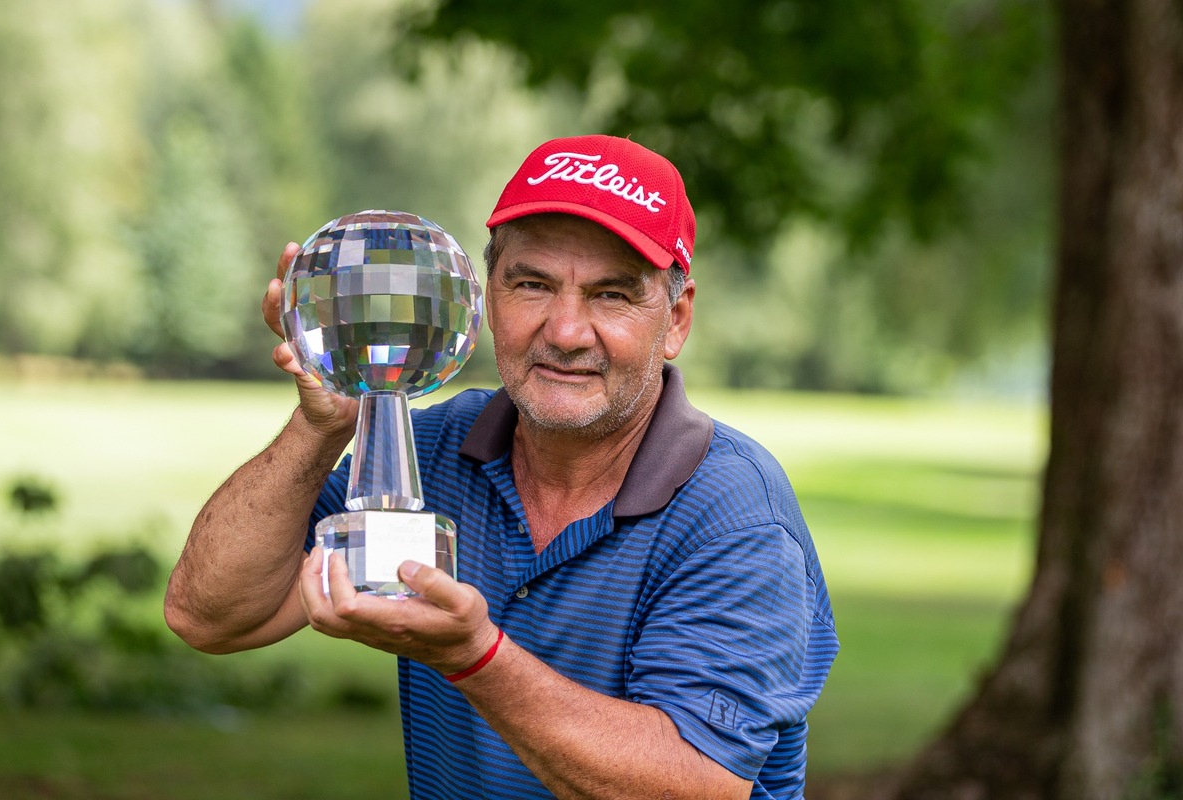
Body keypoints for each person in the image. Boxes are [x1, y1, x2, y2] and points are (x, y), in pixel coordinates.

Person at [164, 134, 838, 799]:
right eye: (533, 284)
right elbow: (212, 616)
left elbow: (692, 784)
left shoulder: (735, 510)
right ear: (487, 296)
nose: (567, 331)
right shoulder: (428, 449)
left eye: (611, 295)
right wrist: (323, 426)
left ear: (676, 319)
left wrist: (475, 656)